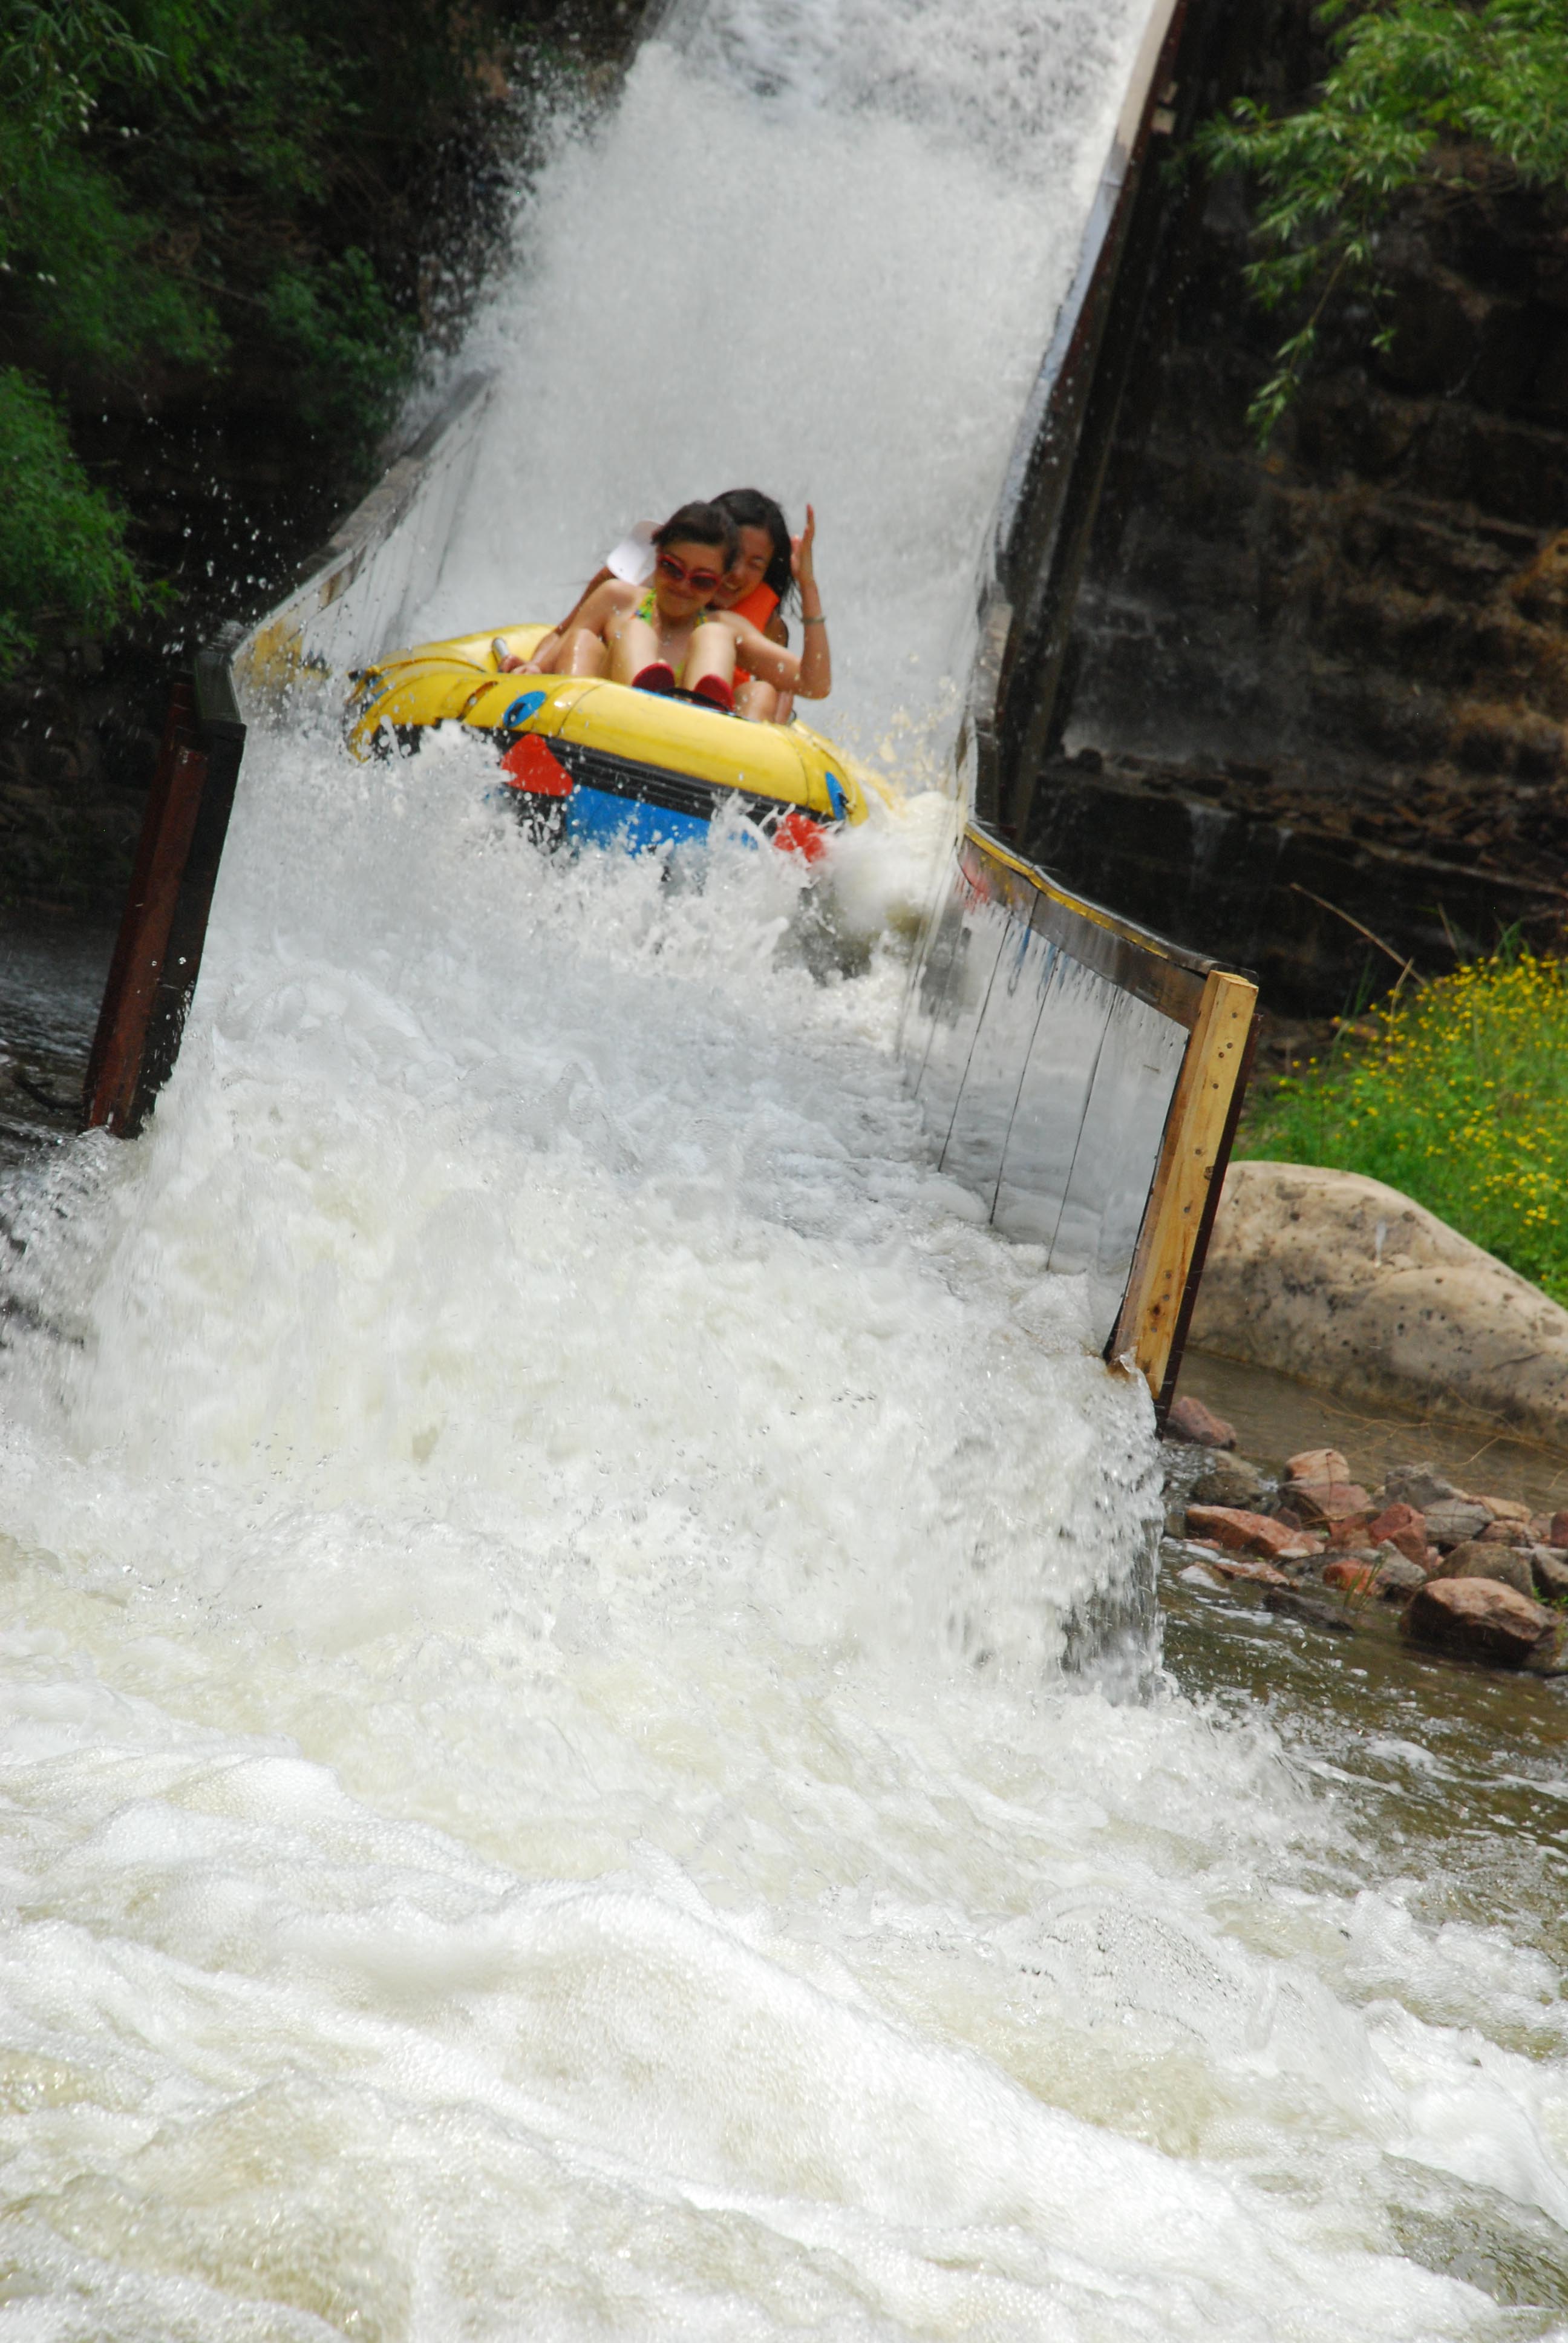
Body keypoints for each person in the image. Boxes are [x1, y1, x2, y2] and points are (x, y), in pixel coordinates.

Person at [517, 499, 831, 715]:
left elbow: (814, 685)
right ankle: (646, 703)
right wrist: (536, 667)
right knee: (613, 635)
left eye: (702, 581)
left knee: (729, 654)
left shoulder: (726, 627)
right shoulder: (618, 598)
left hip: (685, 750)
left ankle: (702, 711)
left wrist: (808, 584)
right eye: (673, 569)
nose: (683, 586)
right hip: (606, 727)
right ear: (657, 558)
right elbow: (566, 639)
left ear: (720, 583)